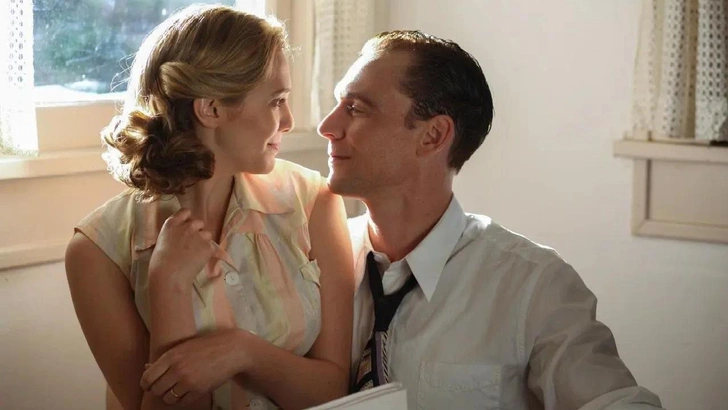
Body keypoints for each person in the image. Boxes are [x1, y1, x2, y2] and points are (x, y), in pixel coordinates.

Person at [317, 30, 664, 410]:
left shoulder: (533, 285)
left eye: (356, 108)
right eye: (338, 103)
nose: (327, 126)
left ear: (433, 135)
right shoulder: (309, 262)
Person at [65, 5, 354, 410]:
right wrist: (169, 286)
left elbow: (333, 391)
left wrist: (243, 351)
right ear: (212, 109)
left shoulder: (313, 201)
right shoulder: (98, 252)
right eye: (276, 101)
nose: (289, 120)